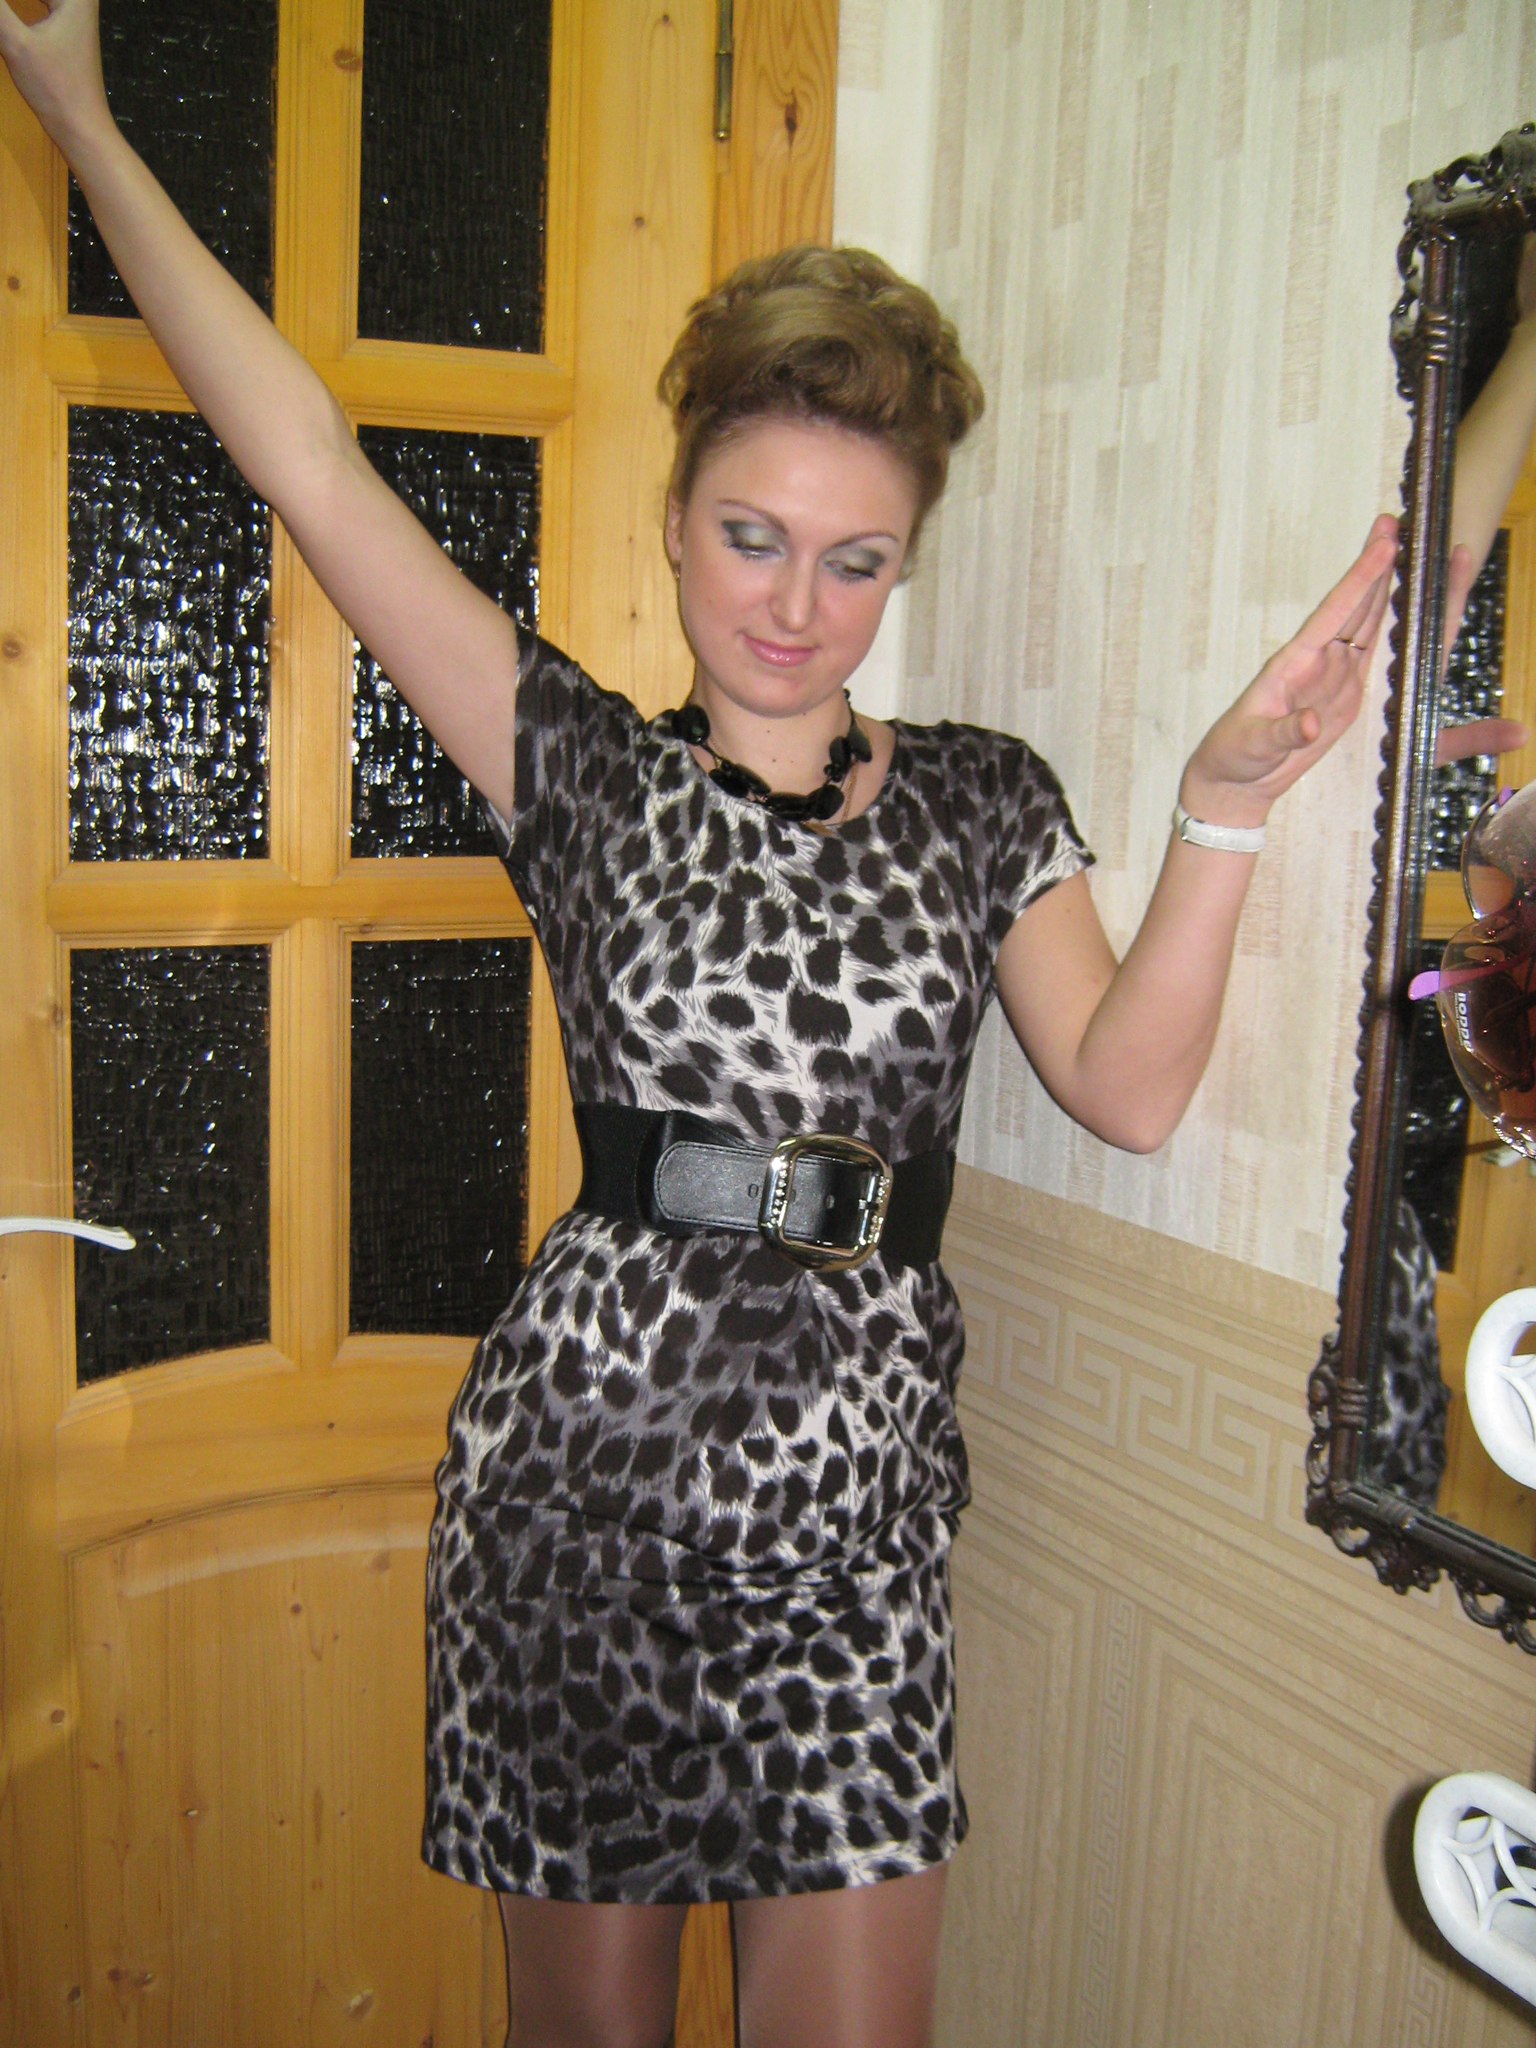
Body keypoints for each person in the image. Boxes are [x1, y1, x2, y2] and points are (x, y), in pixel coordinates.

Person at [0, 4, 1398, 2045]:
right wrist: (78, 111)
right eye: (752, 536)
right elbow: (304, 456)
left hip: (855, 1522)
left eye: (856, 560)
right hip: (586, 1495)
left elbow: (1126, 1086)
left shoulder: (983, 800)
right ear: (673, 519)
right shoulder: (582, 771)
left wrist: (1226, 802)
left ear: (902, 568)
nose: (794, 604)